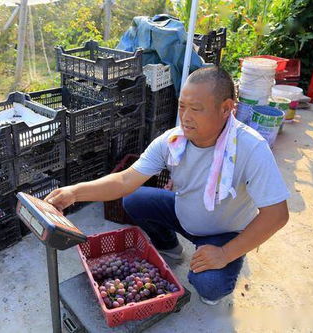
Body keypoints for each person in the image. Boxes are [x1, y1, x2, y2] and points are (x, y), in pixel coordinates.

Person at [45, 66, 290, 305]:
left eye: (196, 109)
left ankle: (223, 258)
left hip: (225, 232)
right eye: (182, 106)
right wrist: (74, 192)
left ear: (226, 108)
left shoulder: (251, 148)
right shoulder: (173, 141)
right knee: (133, 199)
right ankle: (170, 246)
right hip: (183, 213)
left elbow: (277, 215)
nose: (185, 116)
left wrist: (226, 254)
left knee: (209, 285)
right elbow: (125, 180)